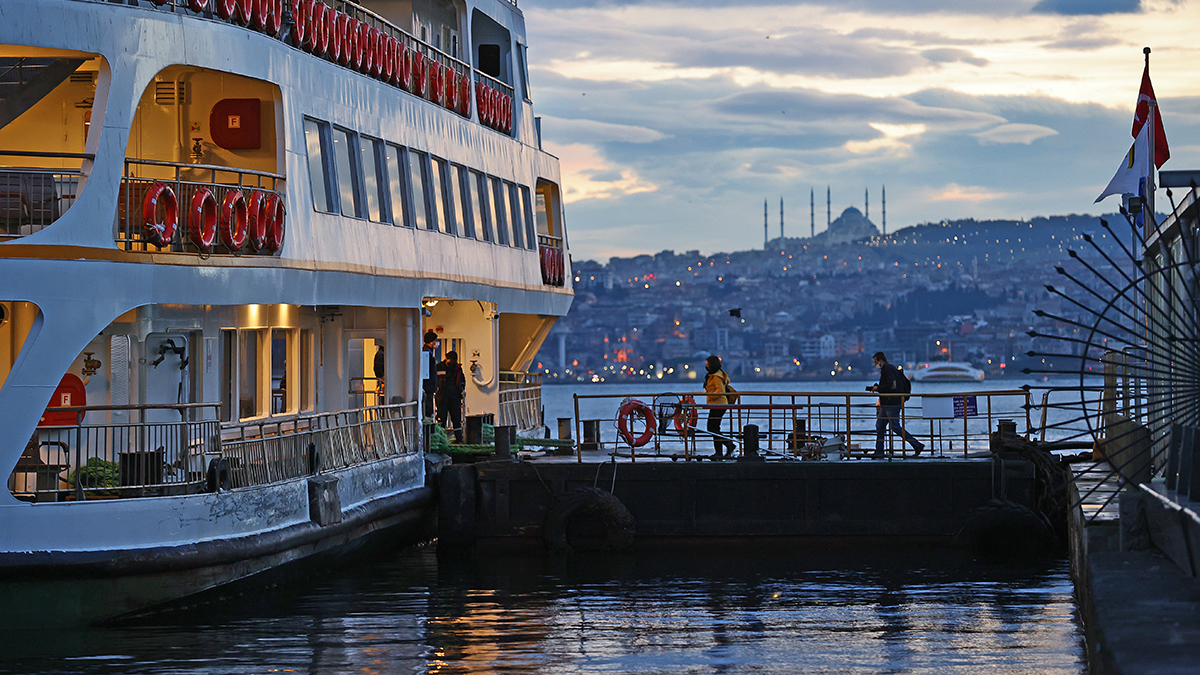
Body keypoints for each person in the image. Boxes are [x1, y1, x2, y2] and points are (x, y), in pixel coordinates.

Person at [869, 351, 923, 458]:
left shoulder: (888, 369)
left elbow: (891, 386)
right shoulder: (888, 369)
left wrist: (878, 388)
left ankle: (916, 445)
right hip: (887, 403)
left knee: (895, 427)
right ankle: (879, 450)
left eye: (875, 361)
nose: (875, 364)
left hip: (891, 403)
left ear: (880, 361)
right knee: (880, 426)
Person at [704, 355, 736, 459]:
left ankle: (725, 447)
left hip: (719, 404)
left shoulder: (716, 377)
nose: (706, 366)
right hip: (717, 404)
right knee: (714, 428)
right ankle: (723, 449)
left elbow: (720, 391)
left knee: (712, 428)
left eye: (707, 364)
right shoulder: (716, 375)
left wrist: (710, 395)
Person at [436, 350, 466, 443]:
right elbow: (434, 379)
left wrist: (461, 388)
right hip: (442, 397)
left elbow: (462, 379)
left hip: (454, 396)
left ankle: (459, 439)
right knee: (441, 419)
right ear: (446, 358)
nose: (452, 362)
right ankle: (440, 440)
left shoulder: (457, 368)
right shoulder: (438, 367)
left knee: (456, 419)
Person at [422, 331, 438, 421]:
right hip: (428, 385)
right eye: (435, 340)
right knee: (428, 403)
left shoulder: (429, 352)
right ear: (431, 341)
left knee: (429, 402)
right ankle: (428, 420)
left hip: (430, 385)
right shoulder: (426, 353)